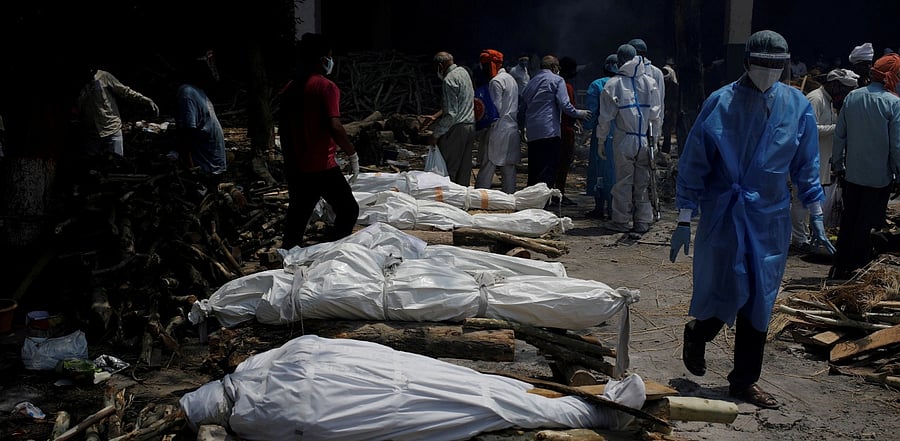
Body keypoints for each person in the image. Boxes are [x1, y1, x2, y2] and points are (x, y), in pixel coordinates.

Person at [669, 30, 834, 409]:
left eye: (776, 66)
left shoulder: (796, 105)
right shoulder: (720, 102)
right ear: (746, 63)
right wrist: (683, 217)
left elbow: (806, 165)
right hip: (726, 213)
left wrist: (817, 214)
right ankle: (698, 332)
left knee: (759, 300)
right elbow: (695, 161)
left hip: (769, 218)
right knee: (726, 290)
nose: (768, 72)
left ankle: (743, 382)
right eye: (762, 65)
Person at [278, 33, 360, 249]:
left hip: (297, 166)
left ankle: (288, 258)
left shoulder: (290, 88)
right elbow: (335, 126)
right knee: (348, 210)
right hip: (322, 165)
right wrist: (352, 153)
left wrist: (289, 161)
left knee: (297, 217)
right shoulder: (326, 87)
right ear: (322, 59)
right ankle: (330, 252)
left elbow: (284, 130)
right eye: (329, 57)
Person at [829, 53, 900, 280]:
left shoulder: (853, 98)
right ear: (892, 76)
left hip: (852, 175)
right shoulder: (894, 103)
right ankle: (859, 271)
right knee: (868, 225)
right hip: (879, 178)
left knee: (849, 221)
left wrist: (838, 164)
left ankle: (840, 265)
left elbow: (840, 136)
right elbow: (896, 145)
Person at [789, 68, 859, 253]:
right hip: (808, 157)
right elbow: (810, 129)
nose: (844, 93)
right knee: (800, 200)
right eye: (843, 89)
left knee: (811, 199)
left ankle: (806, 235)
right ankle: (799, 239)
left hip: (820, 157)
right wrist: (839, 128)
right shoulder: (816, 98)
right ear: (834, 84)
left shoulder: (829, 101)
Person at [594, 44, 660, 234]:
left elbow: (605, 118)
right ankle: (642, 221)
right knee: (643, 182)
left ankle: (621, 221)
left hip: (624, 139)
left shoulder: (613, 84)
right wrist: (655, 138)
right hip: (644, 140)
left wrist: (600, 140)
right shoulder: (649, 82)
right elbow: (656, 115)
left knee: (623, 182)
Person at [519, 55, 590, 190]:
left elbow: (523, 106)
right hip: (549, 131)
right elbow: (565, 105)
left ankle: (530, 200)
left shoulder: (531, 81)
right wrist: (581, 113)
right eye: (557, 67)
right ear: (553, 67)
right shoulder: (557, 80)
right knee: (548, 170)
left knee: (534, 169)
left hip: (533, 132)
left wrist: (522, 128)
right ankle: (543, 202)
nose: (558, 69)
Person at [76, 65, 159, 157]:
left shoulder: (104, 76)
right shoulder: (79, 83)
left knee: (116, 163)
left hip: (111, 128)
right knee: (93, 165)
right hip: (92, 133)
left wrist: (146, 100)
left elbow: (125, 91)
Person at [174, 55, 227, 182]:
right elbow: (186, 134)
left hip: (212, 167)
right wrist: (191, 169)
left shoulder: (198, 92)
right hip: (205, 169)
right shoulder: (187, 93)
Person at [426, 52, 476, 186]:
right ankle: (462, 201)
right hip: (470, 125)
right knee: (464, 170)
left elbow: (451, 114)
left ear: (440, 66)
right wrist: (436, 116)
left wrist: (436, 134)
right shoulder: (464, 73)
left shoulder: (449, 80)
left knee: (450, 169)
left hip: (457, 128)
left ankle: (449, 201)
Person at [475, 49, 520, 194]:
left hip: (498, 128)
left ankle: (480, 197)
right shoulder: (511, 79)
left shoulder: (496, 82)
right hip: (512, 128)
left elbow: (496, 109)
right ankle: (509, 198)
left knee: (488, 163)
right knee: (509, 167)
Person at [583, 54, 619, 219]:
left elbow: (592, 111)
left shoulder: (597, 84)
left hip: (601, 132)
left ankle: (599, 208)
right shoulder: (625, 85)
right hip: (621, 132)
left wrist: (587, 128)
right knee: (617, 170)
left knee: (599, 168)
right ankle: (615, 208)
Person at [628, 39, 666, 144]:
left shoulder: (656, 73)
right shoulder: (625, 72)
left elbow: (660, 103)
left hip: (648, 122)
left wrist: (657, 131)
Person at [554, 56, 579, 205]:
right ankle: (559, 193)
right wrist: (579, 115)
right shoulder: (566, 86)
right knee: (563, 162)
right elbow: (569, 108)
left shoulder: (555, 83)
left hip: (557, 127)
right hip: (565, 128)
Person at [660, 57, 680, 156]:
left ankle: (663, 149)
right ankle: (664, 149)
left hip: (664, 105)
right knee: (666, 127)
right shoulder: (671, 73)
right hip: (666, 105)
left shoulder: (661, 73)